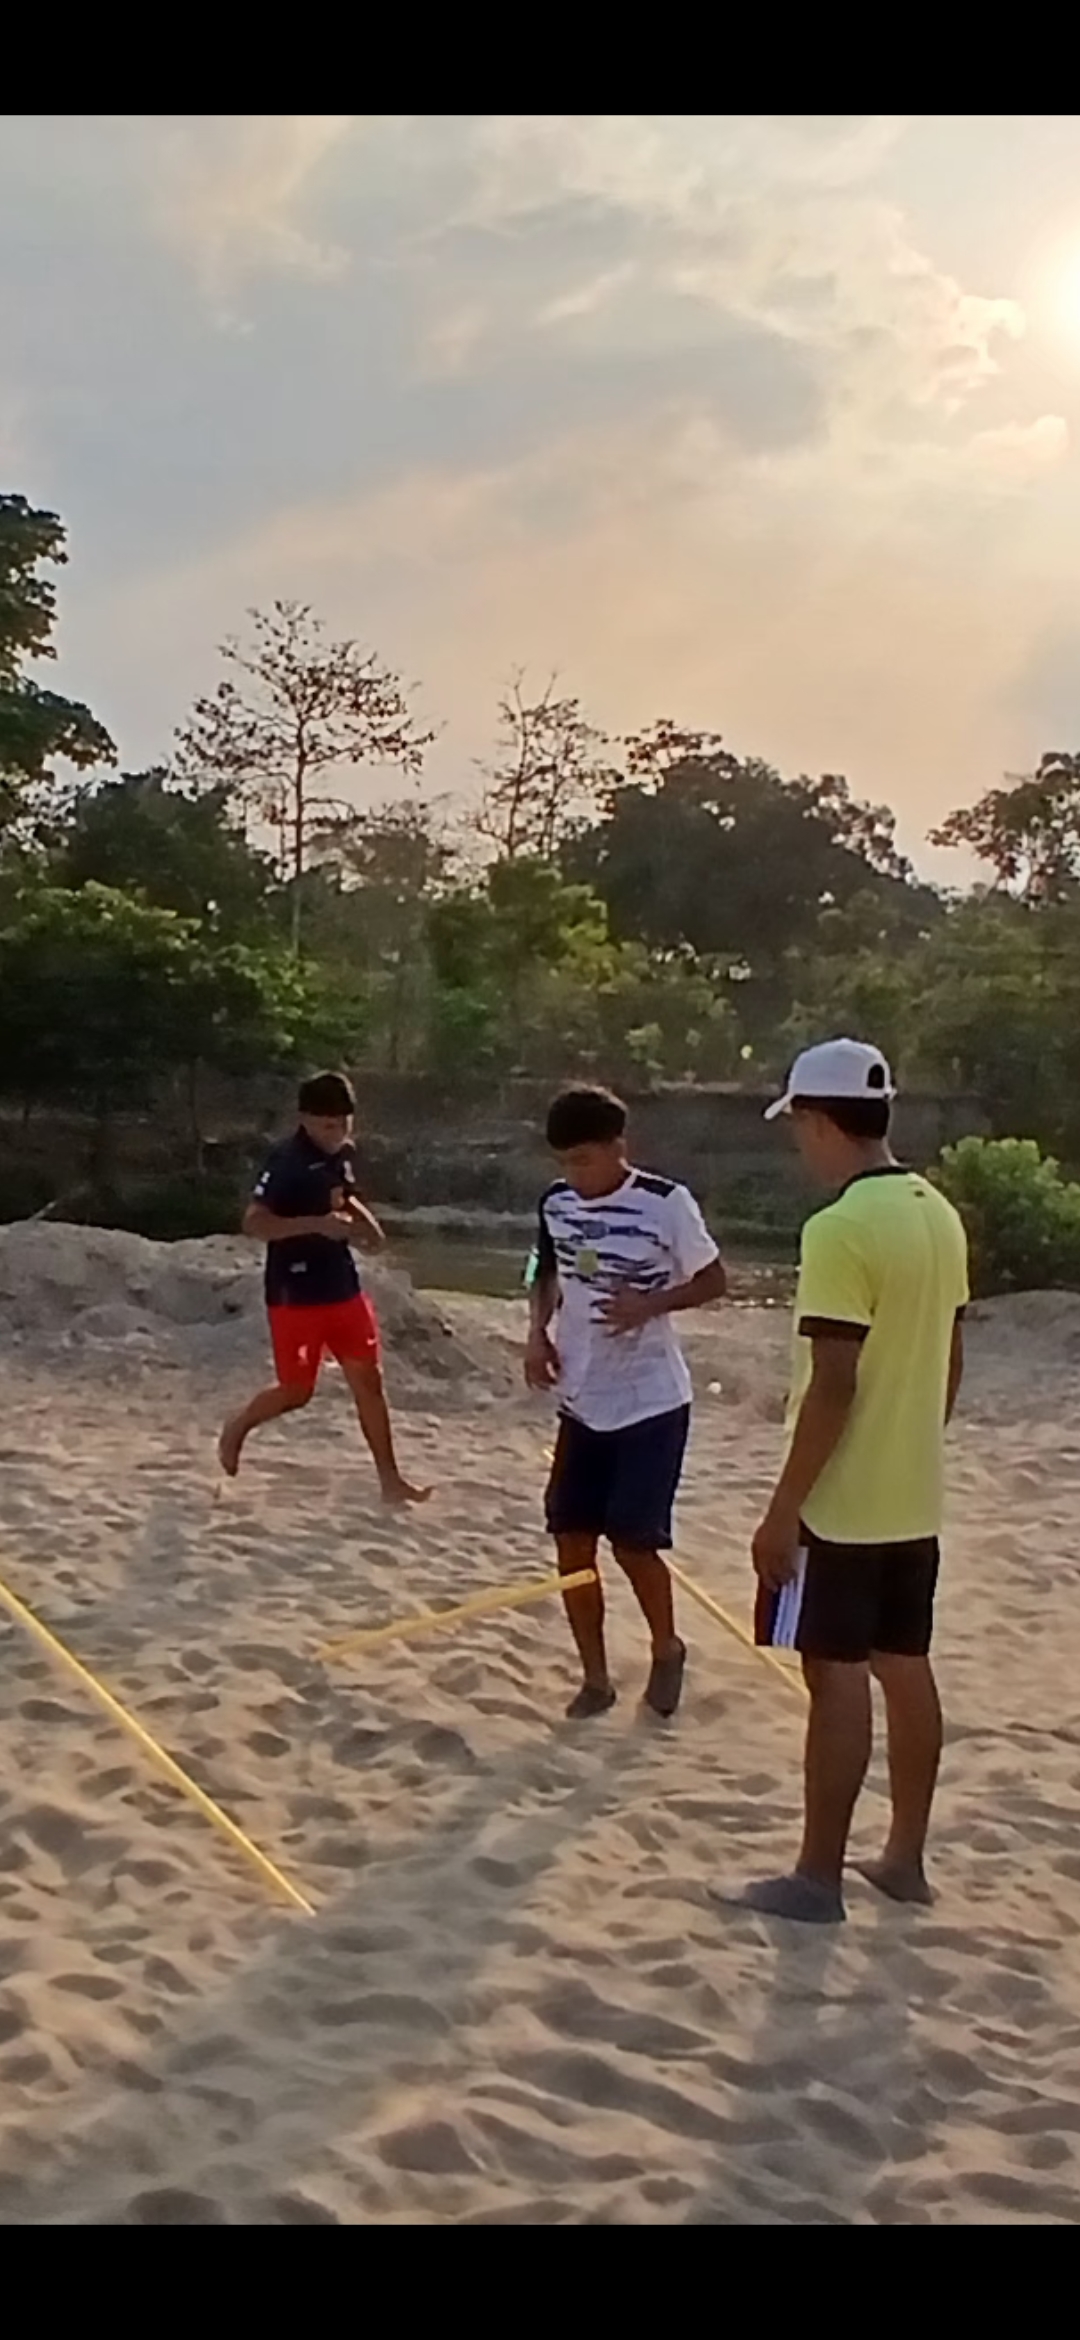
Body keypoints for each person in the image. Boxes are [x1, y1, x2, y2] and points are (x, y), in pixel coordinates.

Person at [728, 1038, 969, 1925]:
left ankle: (817, 1878)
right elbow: (949, 1358)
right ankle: (904, 1858)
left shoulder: (838, 1228)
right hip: (913, 1495)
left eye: (799, 1124)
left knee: (835, 1678)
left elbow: (834, 1383)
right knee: (906, 1667)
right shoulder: (938, 1214)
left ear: (822, 1121)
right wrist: (914, 1442)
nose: (799, 1143)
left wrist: (783, 1511)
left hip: (842, 1505)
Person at [526, 1084, 727, 1720]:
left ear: (619, 1147)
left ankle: (667, 1648)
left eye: (584, 1160)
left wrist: (650, 1304)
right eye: (564, 1162)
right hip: (581, 1397)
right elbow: (544, 1268)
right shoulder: (556, 1203)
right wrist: (536, 1332)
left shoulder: (665, 1203)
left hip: (651, 1401)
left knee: (634, 1541)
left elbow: (714, 1280)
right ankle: (596, 1677)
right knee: (570, 1540)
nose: (574, 1175)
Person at [218, 1070, 429, 1506]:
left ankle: (390, 1480)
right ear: (306, 1119)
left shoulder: (341, 1153)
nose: (337, 1134)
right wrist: (315, 1225)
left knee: (369, 1381)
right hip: (295, 1292)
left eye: (344, 1124)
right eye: (328, 1126)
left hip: (342, 1285)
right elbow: (254, 1222)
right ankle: (238, 1425)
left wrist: (368, 1225)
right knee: (297, 1391)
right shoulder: (286, 1161)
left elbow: (343, 1195)